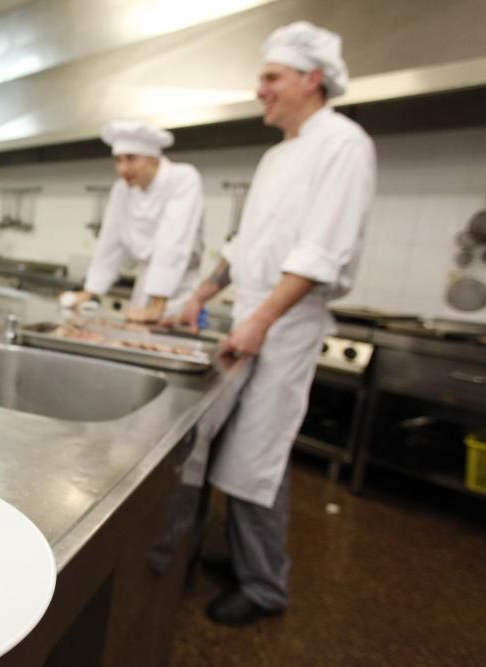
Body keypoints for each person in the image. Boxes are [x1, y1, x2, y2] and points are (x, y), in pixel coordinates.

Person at [172, 21, 376, 626]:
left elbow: (321, 253)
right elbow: (247, 242)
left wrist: (261, 319)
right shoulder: (277, 155)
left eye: (271, 77)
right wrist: (202, 293)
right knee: (240, 451)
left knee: (258, 456)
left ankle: (265, 587)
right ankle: (245, 560)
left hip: (284, 326)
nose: (259, 88)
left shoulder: (345, 144)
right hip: (255, 318)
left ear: (311, 79)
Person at [60, 121, 204, 323]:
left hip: (179, 293)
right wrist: (90, 291)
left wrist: (157, 305)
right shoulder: (122, 189)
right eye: (118, 160)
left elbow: (173, 241)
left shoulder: (183, 178)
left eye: (131, 159)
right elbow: (109, 242)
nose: (122, 168)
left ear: (154, 158)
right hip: (144, 289)